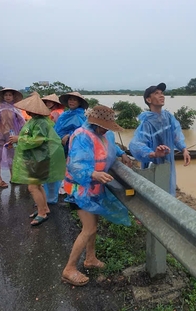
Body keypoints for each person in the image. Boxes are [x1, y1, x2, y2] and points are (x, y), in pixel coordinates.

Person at [61, 105, 132, 287]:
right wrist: (93, 174)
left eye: (107, 127)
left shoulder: (105, 134)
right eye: (102, 126)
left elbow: (111, 148)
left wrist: (122, 154)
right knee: (89, 228)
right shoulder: (81, 135)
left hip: (94, 188)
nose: (105, 129)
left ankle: (90, 258)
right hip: (79, 189)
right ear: (93, 122)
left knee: (94, 225)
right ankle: (69, 269)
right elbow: (75, 165)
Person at [10, 91, 66, 226]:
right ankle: (44, 208)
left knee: (33, 187)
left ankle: (42, 213)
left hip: (41, 158)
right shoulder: (35, 120)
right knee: (38, 185)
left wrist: (19, 139)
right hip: (36, 157)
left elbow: (37, 140)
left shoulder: (40, 122)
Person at [129, 83, 191, 196]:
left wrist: (184, 149)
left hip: (168, 162)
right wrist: (153, 153)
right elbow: (135, 144)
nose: (161, 95)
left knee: (168, 187)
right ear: (148, 99)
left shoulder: (168, 117)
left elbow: (176, 134)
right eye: (156, 93)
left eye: (162, 93)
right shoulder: (147, 123)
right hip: (153, 165)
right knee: (155, 192)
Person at [0, 88, 25, 189]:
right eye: (6, 95)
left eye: (10, 95)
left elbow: (21, 122)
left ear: (13, 96)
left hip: (11, 135)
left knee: (12, 156)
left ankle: (13, 176)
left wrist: (23, 134)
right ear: (3, 97)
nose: (8, 97)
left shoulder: (16, 107)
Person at [42, 93, 66, 202]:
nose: (48, 103)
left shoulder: (56, 113)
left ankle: (58, 185)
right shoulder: (53, 112)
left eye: (50, 102)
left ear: (55, 103)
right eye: (46, 101)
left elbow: (58, 128)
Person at [54, 91, 88, 156]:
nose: (71, 101)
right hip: (58, 143)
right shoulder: (65, 114)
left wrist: (69, 135)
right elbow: (57, 127)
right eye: (70, 99)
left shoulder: (80, 115)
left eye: (74, 100)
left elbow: (84, 131)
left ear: (79, 103)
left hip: (71, 146)